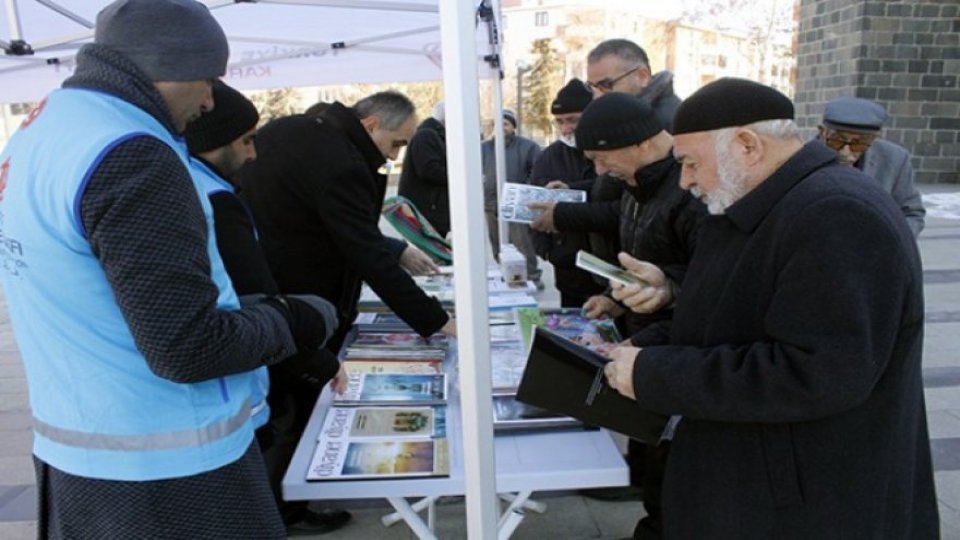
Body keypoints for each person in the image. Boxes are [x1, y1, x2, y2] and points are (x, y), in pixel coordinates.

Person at [0, 1, 332, 537]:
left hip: (80, 454)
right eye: (206, 79)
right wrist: (292, 320)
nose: (208, 101)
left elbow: (109, 295)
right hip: (172, 473)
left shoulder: (45, 130)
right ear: (165, 67)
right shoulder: (131, 152)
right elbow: (188, 346)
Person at [603, 78, 939, 538]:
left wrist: (655, 375)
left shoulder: (836, 213)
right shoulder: (761, 201)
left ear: (746, 145)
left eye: (690, 163)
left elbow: (816, 373)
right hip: (767, 484)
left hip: (806, 504)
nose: (685, 181)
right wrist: (646, 339)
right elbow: (736, 313)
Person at [184, 80, 352, 536]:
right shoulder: (214, 200)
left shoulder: (196, 184)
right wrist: (316, 359)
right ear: (215, 141)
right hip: (235, 382)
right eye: (246, 141)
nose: (255, 153)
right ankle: (285, 514)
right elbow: (255, 298)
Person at [534, 93, 705, 535]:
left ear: (638, 144)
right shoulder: (636, 185)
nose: (597, 170)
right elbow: (640, 250)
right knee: (651, 455)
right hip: (646, 338)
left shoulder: (689, 192)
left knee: (673, 472)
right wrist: (615, 298)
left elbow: (713, 280)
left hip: (677, 347)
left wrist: (667, 291)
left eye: (600, 158)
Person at [240, 91, 456, 355]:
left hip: (258, 289)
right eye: (395, 144)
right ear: (371, 124)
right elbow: (366, 253)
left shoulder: (286, 129)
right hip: (303, 299)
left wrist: (395, 250)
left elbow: (325, 222)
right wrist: (438, 320)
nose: (394, 156)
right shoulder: (344, 165)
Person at [530, 79, 606, 307]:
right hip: (568, 271)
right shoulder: (548, 157)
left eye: (573, 120)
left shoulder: (609, 151)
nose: (566, 128)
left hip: (607, 267)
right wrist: (548, 253)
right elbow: (533, 206)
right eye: (560, 121)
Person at [819, 96, 925, 237]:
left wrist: (891, 242)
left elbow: (912, 213)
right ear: (822, 133)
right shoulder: (800, 156)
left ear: (873, 139)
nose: (845, 151)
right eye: (837, 140)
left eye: (858, 143)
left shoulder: (895, 158)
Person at [481, 109, 543, 285]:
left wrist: (525, 192)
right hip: (491, 203)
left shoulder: (528, 147)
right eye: (497, 125)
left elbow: (537, 172)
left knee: (522, 243)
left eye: (506, 124)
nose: (501, 128)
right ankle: (507, 274)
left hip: (517, 203)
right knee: (498, 243)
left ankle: (531, 276)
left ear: (513, 127)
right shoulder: (483, 148)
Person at [584, 38, 682, 131]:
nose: (597, 96)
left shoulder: (672, 122)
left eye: (606, 85)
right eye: (591, 87)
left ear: (642, 76)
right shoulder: (625, 117)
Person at [398, 101, 452, 237]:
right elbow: (428, 170)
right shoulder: (426, 135)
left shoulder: (436, 135)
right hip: (426, 212)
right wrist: (459, 177)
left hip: (431, 211)